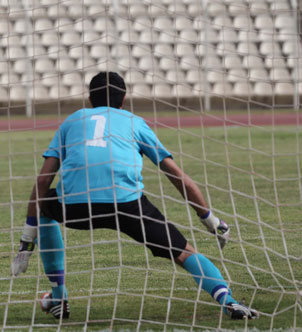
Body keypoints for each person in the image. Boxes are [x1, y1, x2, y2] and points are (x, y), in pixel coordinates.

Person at [11, 72, 258, 320]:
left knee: (44, 206)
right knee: (185, 253)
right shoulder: (134, 122)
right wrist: (209, 218)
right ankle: (230, 302)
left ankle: (58, 297)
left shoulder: (72, 121)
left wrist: (26, 242)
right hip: (127, 205)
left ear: (89, 99)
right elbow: (175, 174)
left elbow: (43, 181)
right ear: (124, 99)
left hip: (75, 205)